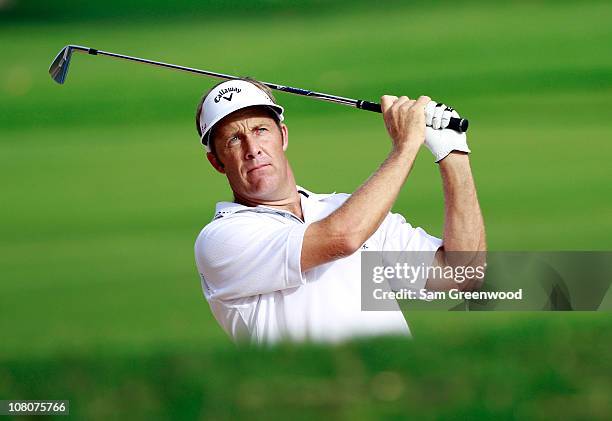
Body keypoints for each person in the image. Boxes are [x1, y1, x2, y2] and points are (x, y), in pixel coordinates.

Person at [194, 78, 486, 344]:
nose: (252, 148)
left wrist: (453, 153)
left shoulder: (347, 209)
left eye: (261, 130)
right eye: (234, 139)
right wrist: (406, 145)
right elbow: (343, 237)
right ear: (217, 162)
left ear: (282, 135)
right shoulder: (221, 239)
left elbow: (462, 273)